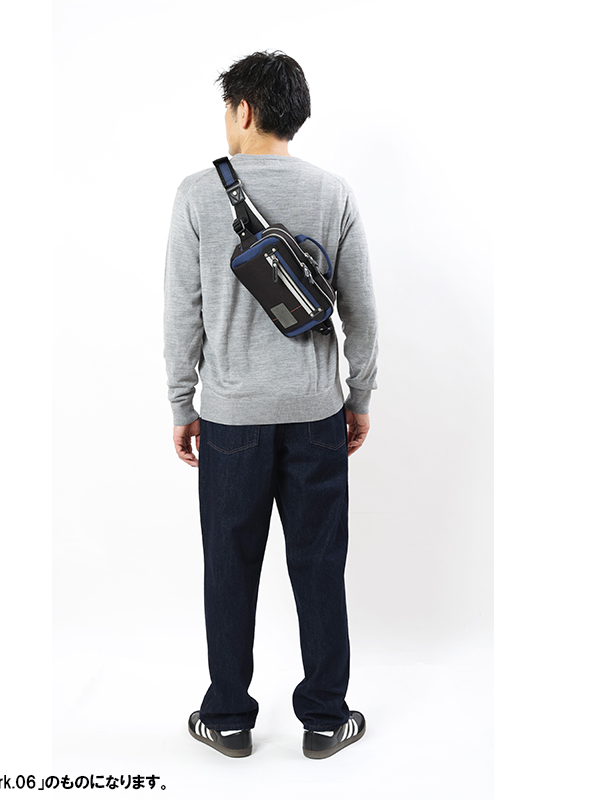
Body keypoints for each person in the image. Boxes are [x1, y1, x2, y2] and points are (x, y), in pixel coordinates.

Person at [163, 51, 378, 759]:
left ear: (244, 110)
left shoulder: (198, 194)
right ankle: (326, 719)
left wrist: (183, 403)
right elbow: (361, 312)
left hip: (230, 419)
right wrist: (358, 395)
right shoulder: (333, 192)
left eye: (228, 109)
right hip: (317, 414)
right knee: (319, 565)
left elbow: (182, 313)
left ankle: (227, 718)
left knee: (229, 568)